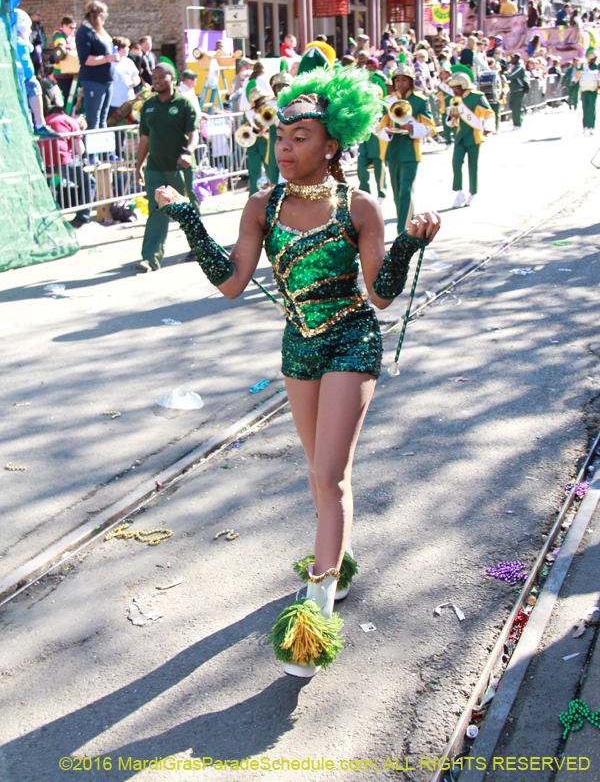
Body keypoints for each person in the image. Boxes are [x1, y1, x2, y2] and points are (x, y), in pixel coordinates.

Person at [155, 65, 441, 676]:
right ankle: (338, 559)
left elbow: (382, 294)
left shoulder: (359, 207)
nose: (285, 148)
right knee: (319, 477)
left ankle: (313, 617)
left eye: (300, 137)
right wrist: (187, 219)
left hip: (351, 341)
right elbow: (232, 282)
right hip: (298, 348)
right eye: (280, 137)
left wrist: (412, 245)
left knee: (331, 475)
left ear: (332, 142)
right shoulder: (263, 205)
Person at [134, 63, 201, 272]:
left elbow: (194, 133)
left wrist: (188, 152)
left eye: (162, 77)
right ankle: (150, 258)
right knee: (156, 209)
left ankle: (199, 247)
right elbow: (145, 138)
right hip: (155, 167)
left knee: (187, 208)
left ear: (172, 78)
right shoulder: (149, 105)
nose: (157, 80)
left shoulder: (184, 104)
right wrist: (138, 166)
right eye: (154, 77)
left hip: (179, 166)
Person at [379, 65, 436, 232]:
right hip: (392, 151)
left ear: (411, 81)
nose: (400, 83)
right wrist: (387, 132)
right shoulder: (388, 101)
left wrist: (413, 128)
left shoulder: (419, 101)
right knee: (397, 194)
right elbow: (380, 127)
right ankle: (408, 224)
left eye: (404, 79)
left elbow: (431, 128)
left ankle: (403, 230)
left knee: (406, 191)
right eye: (397, 80)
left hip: (411, 151)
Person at [39, 106, 97, 226]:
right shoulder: (69, 121)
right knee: (90, 182)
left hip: (44, 163)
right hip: (62, 161)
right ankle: (82, 217)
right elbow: (79, 149)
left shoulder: (43, 121)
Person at [446, 71, 494, 208]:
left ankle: (473, 193)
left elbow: (488, 113)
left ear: (463, 85)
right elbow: (450, 123)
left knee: (472, 166)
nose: (454, 91)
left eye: (456, 87)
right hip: (460, 136)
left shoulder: (477, 97)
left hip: (474, 136)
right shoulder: (455, 101)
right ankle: (459, 192)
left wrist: (488, 126)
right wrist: (451, 116)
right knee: (456, 163)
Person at [75, 0, 119, 130]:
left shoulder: (100, 32)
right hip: (94, 81)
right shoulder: (85, 32)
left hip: (107, 80)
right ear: (98, 15)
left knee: (103, 119)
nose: (105, 19)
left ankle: (105, 151)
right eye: (104, 15)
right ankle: (92, 150)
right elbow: (85, 59)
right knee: (93, 119)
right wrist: (107, 58)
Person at [15, 8, 58, 139]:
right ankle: (40, 124)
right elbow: (28, 72)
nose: (30, 31)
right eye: (28, 28)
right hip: (15, 84)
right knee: (33, 84)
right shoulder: (20, 44)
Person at [357, 66, 388, 201]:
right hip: (365, 140)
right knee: (361, 166)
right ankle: (365, 191)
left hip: (377, 140)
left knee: (379, 168)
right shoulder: (364, 108)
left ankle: (382, 191)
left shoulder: (384, 108)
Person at [266, 71, 292, 185]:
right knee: (273, 166)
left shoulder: (296, 101)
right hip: (273, 140)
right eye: (278, 86)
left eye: (284, 86)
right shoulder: (268, 103)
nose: (281, 89)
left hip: (290, 141)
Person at [109, 36, 141, 117]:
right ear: (121, 48)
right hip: (114, 104)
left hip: (129, 103)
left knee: (130, 128)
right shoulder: (110, 63)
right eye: (127, 47)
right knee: (114, 128)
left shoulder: (129, 62)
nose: (128, 50)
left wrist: (135, 81)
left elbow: (137, 77)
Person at [52, 15, 78, 104]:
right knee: (66, 99)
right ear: (64, 26)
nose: (73, 30)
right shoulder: (59, 35)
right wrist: (73, 47)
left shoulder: (72, 37)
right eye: (71, 27)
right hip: (62, 73)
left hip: (73, 72)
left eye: (74, 27)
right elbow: (60, 48)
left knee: (74, 99)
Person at [578, 50, 600, 135]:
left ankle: (591, 126)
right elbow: (577, 76)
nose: (594, 60)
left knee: (592, 107)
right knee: (585, 108)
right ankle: (585, 126)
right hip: (584, 90)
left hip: (593, 91)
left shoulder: (597, 66)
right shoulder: (584, 66)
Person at [434, 63, 456, 147]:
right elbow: (438, 94)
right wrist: (437, 99)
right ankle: (448, 142)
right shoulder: (440, 85)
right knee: (445, 125)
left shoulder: (453, 82)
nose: (444, 75)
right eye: (442, 74)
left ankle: (456, 139)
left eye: (445, 73)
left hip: (453, 105)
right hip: (444, 107)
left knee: (454, 123)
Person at [506, 53, 528, 129]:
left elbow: (511, 76)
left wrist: (505, 73)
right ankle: (519, 120)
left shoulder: (520, 67)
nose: (511, 60)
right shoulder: (515, 67)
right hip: (513, 90)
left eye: (513, 58)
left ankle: (517, 124)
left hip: (519, 90)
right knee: (512, 106)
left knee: (516, 107)